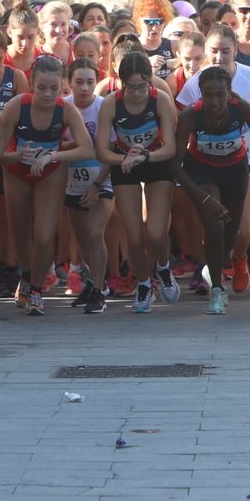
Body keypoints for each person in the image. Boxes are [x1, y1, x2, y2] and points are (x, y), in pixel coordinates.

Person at [0, 54, 88, 316]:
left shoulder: (66, 110)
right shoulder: (16, 106)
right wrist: (17, 156)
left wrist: (52, 155)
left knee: (45, 236)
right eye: (42, 87)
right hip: (16, 170)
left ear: (62, 86)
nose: (48, 94)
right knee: (21, 233)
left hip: (50, 171)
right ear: (31, 83)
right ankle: (26, 276)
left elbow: (86, 147)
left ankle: (36, 289)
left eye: (54, 88)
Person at [173, 65, 250, 315]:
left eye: (220, 95)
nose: (214, 101)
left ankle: (214, 265)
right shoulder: (191, 116)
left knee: (231, 231)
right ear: (200, 95)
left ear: (230, 94)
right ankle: (217, 289)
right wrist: (205, 198)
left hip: (235, 170)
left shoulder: (242, 108)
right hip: (202, 171)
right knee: (214, 225)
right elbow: (175, 167)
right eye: (208, 95)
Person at [96, 51, 180, 313]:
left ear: (150, 81)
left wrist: (145, 155)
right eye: (130, 87)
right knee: (133, 237)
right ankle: (144, 284)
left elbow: (170, 149)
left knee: (155, 232)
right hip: (125, 163)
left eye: (142, 86)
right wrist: (123, 160)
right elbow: (101, 151)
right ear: (120, 83)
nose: (136, 93)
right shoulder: (110, 103)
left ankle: (163, 269)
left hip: (155, 160)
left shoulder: (161, 100)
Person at [61, 57, 112, 313]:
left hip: (102, 178)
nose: (84, 88)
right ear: (69, 83)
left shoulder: (104, 107)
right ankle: (92, 283)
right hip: (71, 180)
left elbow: (111, 150)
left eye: (90, 82)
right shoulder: (63, 106)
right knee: (82, 239)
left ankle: (100, 290)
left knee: (94, 234)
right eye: (79, 82)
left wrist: (97, 185)